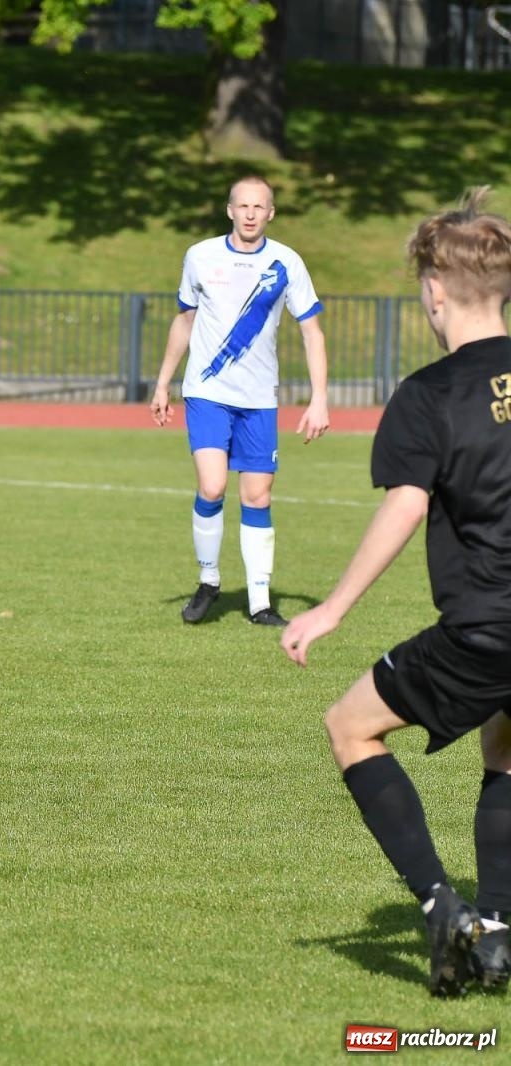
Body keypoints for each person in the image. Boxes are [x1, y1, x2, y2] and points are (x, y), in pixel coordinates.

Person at [280, 187, 511, 997]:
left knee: (350, 726)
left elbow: (405, 508)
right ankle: (500, 934)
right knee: (505, 749)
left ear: (436, 292)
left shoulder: (429, 393)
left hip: (486, 627)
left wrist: (330, 609)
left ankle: (443, 906)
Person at [150, 175, 330, 626]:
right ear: (229, 210)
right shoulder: (200, 255)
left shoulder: (286, 261)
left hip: (258, 398)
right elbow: (184, 321)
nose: (250, 214)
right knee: (212, 486)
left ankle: (259, 601)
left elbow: (312, 331)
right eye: (242, 206)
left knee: (257, 495)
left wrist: (319, 399)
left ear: (271, 213)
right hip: (207, 393)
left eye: (259, 207)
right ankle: (209, 580)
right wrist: (162, 383)